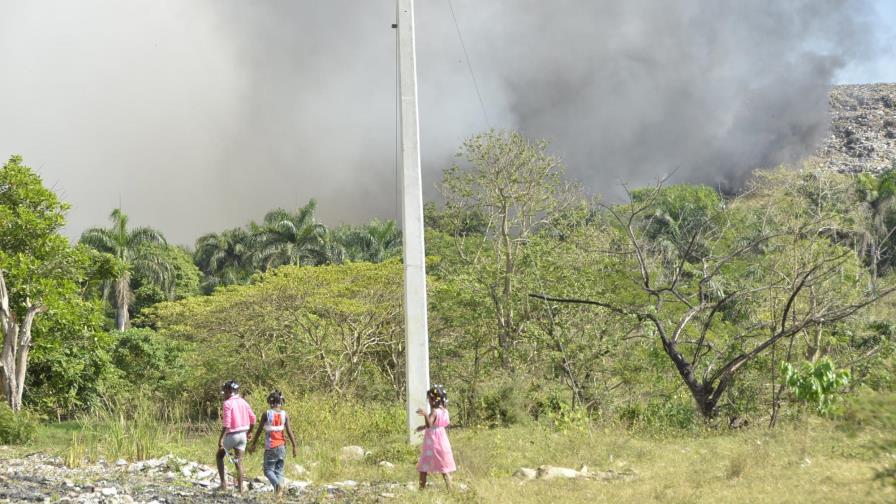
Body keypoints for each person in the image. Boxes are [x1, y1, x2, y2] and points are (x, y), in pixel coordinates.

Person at [249, 390, 297, 497]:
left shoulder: (266, 414)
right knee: (279, 471)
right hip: (282, 447)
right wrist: (294, 446)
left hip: (271, 447)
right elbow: (289, 431)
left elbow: (259, 430)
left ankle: (277, 486)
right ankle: (278, 495)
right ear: (280, 402)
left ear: (271, 402)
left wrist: (253, 444)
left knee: (268, 470)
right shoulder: (285, 414)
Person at [216, 379, 256, 494]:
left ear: (229, 391)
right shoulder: (243, 401)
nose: (223, 394)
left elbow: (227, 424)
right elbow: (253, 418)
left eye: (224, 391)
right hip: (242, 436)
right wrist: (250, 432)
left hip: (232, 435)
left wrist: (221, 439)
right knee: (239, 462)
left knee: (219, 456)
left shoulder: (227, 403)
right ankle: (240, 490)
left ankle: (223, 485)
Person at [415, 384, 456, 489]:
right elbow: (436, 424)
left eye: (429, 399)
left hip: (432, 443)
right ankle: (450, 489)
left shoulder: (434, 411)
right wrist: (423, 427)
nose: (429, 401)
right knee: (444, 467)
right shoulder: (444, 411)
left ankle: (421, 488)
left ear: (433, 400)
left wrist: (425, 414)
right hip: (442, 440)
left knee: (424, 466)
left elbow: (430, 425)